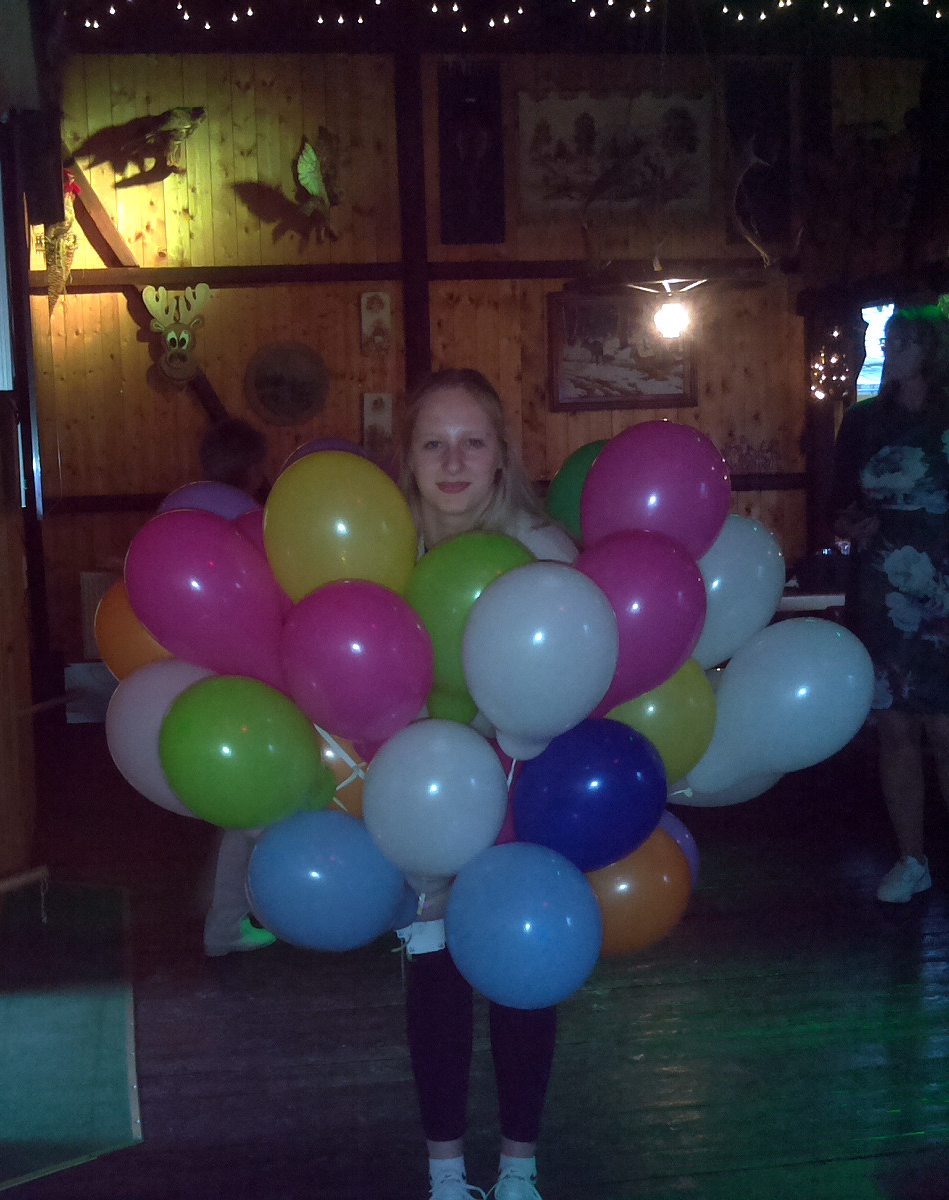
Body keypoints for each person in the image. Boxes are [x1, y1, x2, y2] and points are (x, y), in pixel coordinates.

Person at [395, 369, 576, 1200]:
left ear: (502, 453)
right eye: (434, 442)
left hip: (523, 799)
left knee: (522, 971)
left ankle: (518, 1171)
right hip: (422, 803)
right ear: (408, 457)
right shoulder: (382, 551)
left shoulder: (543, 553)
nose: (454, 461)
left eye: (473, 441)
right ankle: (444, 1176)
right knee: (435, 982)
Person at [830, 304, 949, 906]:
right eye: (888, 340)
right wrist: (849, 526)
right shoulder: (861, 422)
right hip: (879, 596)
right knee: (894, 731)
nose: (889, 351)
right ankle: (912, 859)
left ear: (932, 351)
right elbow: (837, 507)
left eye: (903, 342)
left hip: (948, 599)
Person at [197, 416, 279, 956]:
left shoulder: (193, 510)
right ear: (249, 465)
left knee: (242, 809)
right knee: (252, 810)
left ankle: (226, 917)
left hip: (210, 675)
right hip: (244, 674)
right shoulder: (247, 518)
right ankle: (228, 921)